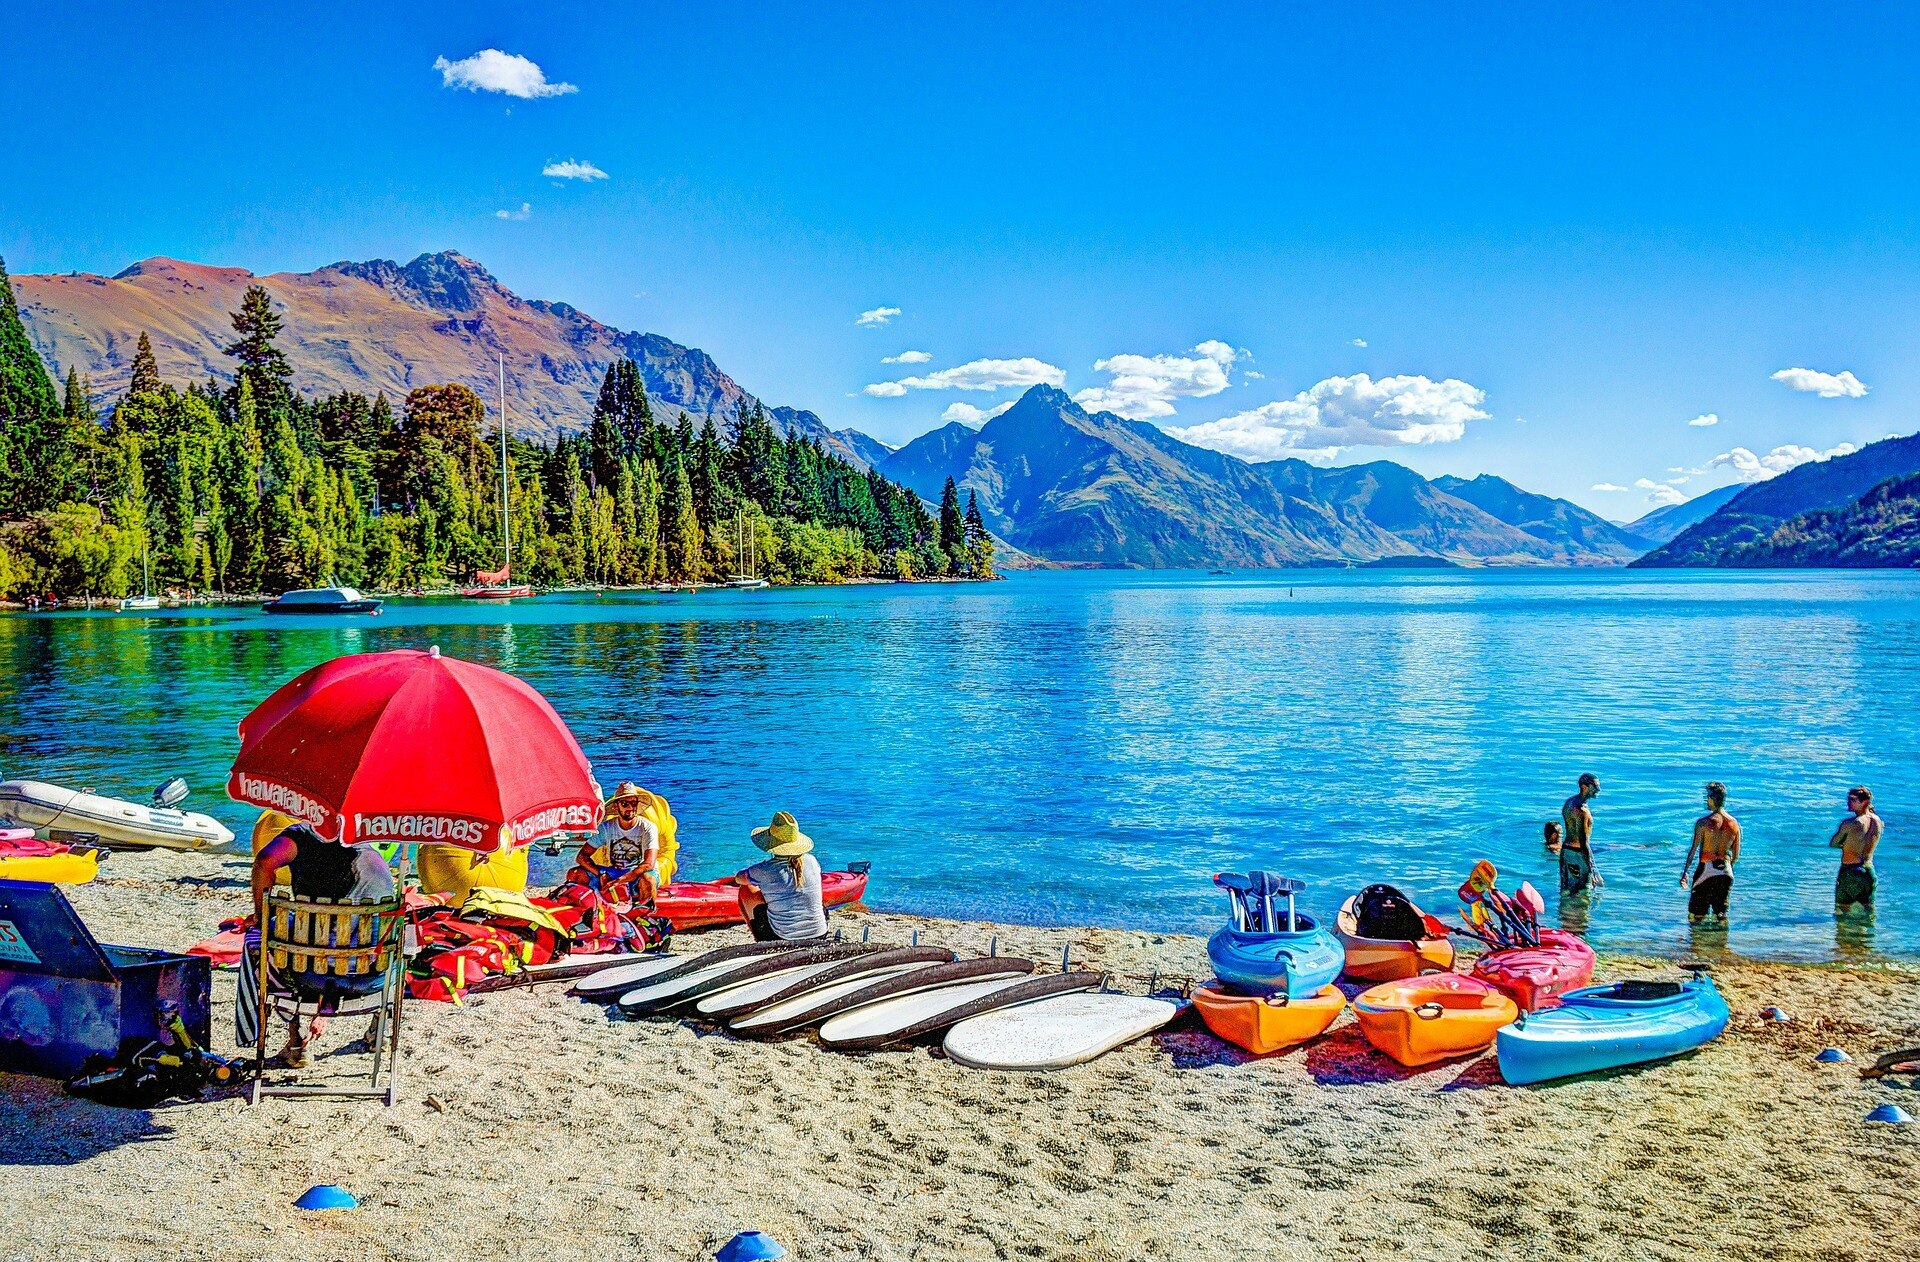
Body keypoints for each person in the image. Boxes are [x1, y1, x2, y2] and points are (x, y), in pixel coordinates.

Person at [247, 820, 396, 1066]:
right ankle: (379, 1031)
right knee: (399, 943)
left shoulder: (302, 835)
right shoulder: (371, 857)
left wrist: (262, 918)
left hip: (308, 980)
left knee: (262, 944)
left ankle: (296, 1040)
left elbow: (265, 860)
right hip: (371, 982)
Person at [735, 810, 827, 942]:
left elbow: (738, 878)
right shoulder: (812, 860)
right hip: (820, 933)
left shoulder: (764, 870)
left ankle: (758, 939)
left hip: (783, 937)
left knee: (745, 890)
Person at [570, 781, 662, 907]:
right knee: (574, 874)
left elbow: (648, 865)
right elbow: (581, 857)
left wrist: (620, 881)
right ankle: (584, 910)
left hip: (638, 873)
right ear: (616, 806)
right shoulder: (607, 828)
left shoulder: (647, 827)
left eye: (633, 803)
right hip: (615, 871)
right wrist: (601, 874)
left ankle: (646, 913)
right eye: (625, 803)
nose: (630, 807)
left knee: (648, 879)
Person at [1680, 781, 1740, 925]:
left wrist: (1685, 873)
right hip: (1726, 871)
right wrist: (1725, 868)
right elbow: (1736, 855)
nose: (1707, 800)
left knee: (1696, 916)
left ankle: (1698, 945)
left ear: (1713, 799)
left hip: (1706, 869)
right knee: (1721, 915)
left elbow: (1693, 850)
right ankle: (1721, 945)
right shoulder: (1734, 824)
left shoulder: (1703, 823)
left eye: (1708, 797)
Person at [1830, 785, 1883, 915]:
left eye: (1853, 800)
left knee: (1842, 911)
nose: (1849, 803)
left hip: (1850, 871)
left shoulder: (1850, 823)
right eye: (1849, 799)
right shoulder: (1878, 821)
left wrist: (1846, 845)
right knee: (1868, 912)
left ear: (1864, 802)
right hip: (1868, 871)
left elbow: (1834, 843)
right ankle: (1865, 934)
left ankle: (1845, 934)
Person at [1559, 774, 1603, 895]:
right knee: (1583, 891)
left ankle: (1564, 913)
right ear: (1584, 787)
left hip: (1566, 853)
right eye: (1595, 786)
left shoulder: (1569, 803)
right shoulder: (1582, 811)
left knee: (1566, 890)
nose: (1598, 789)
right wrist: (1592, 870)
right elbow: (1584, 843)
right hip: (1578, 855)